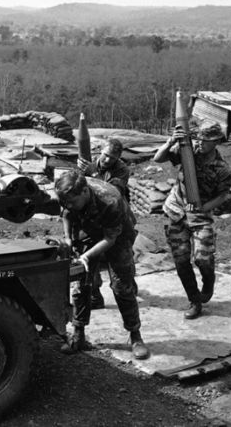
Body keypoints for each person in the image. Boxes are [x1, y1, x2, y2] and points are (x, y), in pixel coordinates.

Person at [54, 170, 149, 360]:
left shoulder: (110, 200)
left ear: (84, 193)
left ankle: (135, 336)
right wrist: (68, 239)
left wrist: (86, 256)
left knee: (122, 286)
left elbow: (109, 239)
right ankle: (78, 335)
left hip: (118, 235)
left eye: (73, 202)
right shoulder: (67, 195)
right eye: (66, 201)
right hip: (88, 228)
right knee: (81, 284)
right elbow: (66, 212)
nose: (69, 205)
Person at [152, 119, 231, 320]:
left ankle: (208, 280)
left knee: (203, 259)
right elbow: (158, 158)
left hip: (201, 216)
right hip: (176, 210)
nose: (199, 143)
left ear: (216, 141)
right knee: (181, 260)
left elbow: (222, 195)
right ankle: (194, 300)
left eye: (205, 140)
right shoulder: (188, 153)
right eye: (198, 139)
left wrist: (203, 208)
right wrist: (171, 141)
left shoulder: (222, 169)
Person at [77, 138, 131, 309]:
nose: (108, 160)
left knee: (121, 263)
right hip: (93, 220)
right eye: (106, 155)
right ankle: (95, 295)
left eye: (112, 158)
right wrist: (79, 172)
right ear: (100, 151)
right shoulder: (89, 165)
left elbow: (112, 191)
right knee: (89, 260)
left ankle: (128, 283)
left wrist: (91, 175)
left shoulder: (122, 170)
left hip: (116, 217)